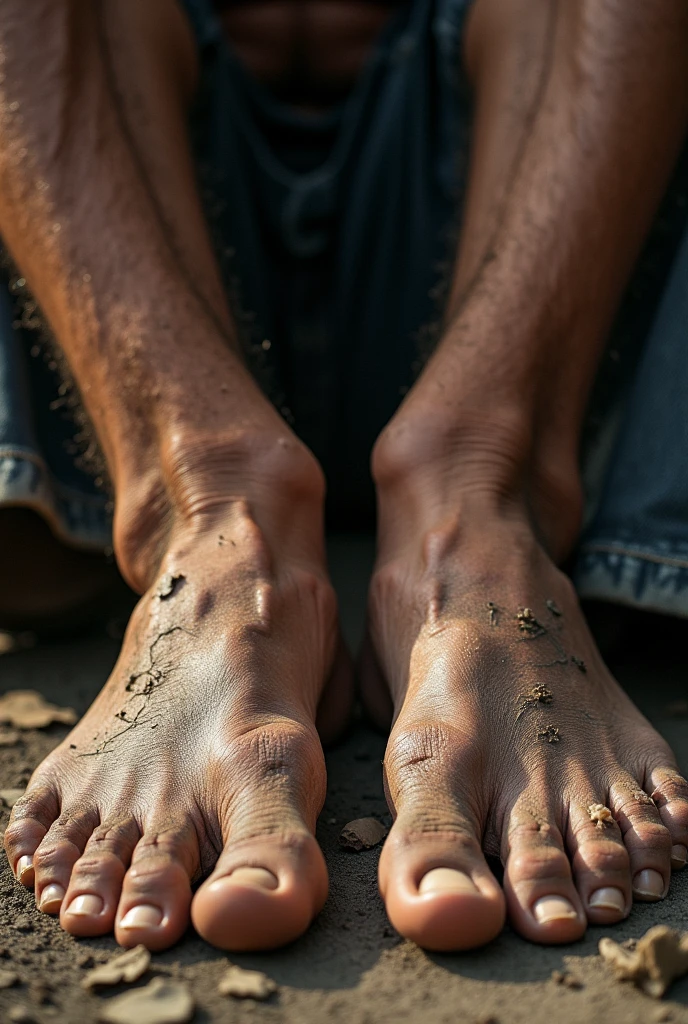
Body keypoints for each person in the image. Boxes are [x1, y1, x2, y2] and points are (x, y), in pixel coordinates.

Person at [1, 0, 687, 955]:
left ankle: (479, 518)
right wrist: (202, 468)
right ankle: (210, 517)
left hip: (553, 205)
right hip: (114, 222)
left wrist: (481, 459)